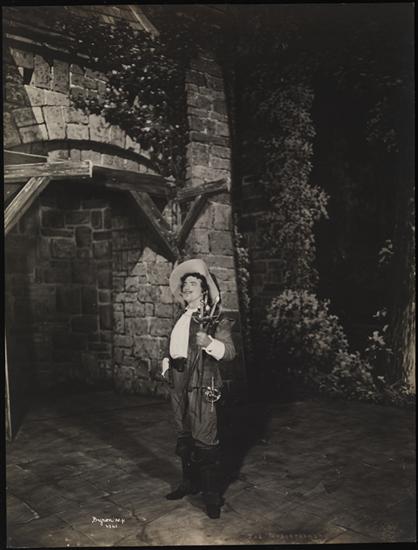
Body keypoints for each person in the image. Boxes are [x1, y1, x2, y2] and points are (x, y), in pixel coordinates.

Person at [161, 258, 236, 519]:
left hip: (202, 383)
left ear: (204, 290)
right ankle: (189, 483)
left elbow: (230, 352)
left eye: (192, 283)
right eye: (184, 283)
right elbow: (172, 346)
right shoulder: (180, 317)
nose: (186, 287)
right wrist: (166, 363)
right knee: (184, 434)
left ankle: (212, 496)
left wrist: (209, 342)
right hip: (178, 382)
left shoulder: (215, 320)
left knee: (205, 437)